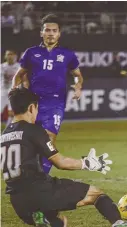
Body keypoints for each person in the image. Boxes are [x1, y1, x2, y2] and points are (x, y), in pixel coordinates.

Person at [1, 87, 127, 227]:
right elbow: (61, 162)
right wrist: (87, 163)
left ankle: (44, 219)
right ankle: (119, 223)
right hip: (40, 191)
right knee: (96, 194)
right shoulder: (34, 130)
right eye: (37, 109)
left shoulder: (4, 135)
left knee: (60, 221)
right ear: (31, 107)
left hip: (18, 203)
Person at [11, 14, 83, 174]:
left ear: (59, 33)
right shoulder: (31, 52)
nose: (50, 33)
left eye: (54, 30)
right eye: (47, 30)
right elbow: (19, 74)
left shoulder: (67, 54)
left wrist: (78, 87)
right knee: (28, 139)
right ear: (41, 32)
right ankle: (27, 172)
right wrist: (14, 89)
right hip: (33, 103)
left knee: (49, 138)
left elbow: (78, 75)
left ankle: (42, 176)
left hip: (55, 103)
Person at [1, 49, 20, 126]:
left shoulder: (19, 67)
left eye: (11, 54)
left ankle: (6, 131)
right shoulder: (1, 66)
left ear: (15, 56)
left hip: (13, 92)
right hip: (2, 92)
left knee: (11, 113)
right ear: (5, 56)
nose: (10, 56)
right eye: (8, 54)